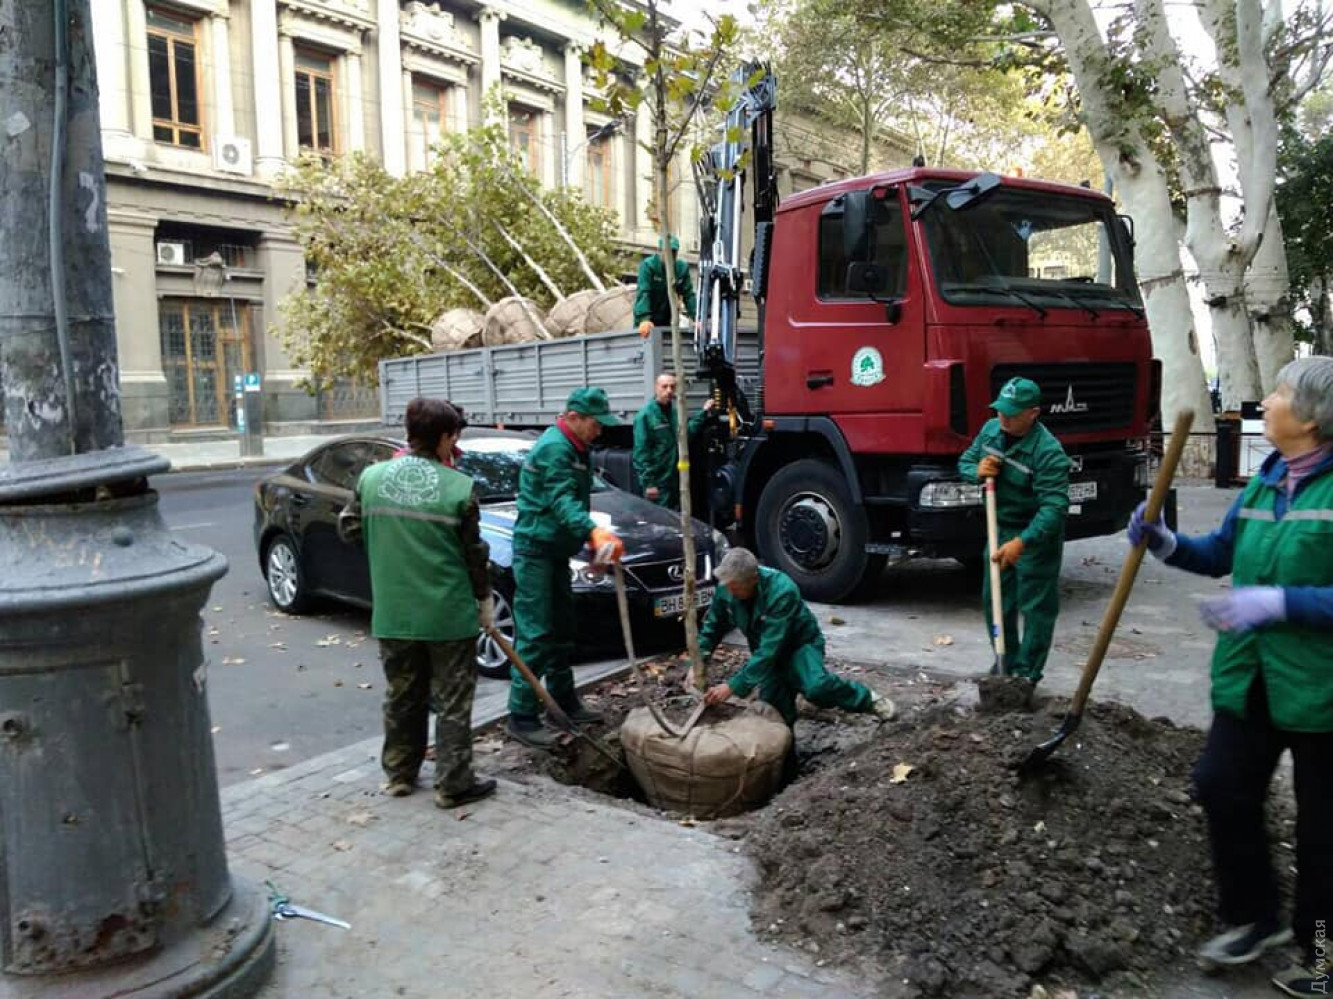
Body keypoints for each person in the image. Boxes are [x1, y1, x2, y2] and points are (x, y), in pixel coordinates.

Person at [1130, 357, 1333, 996]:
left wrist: (1280, 603)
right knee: (1221, 785)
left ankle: (1324, 957)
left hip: (1322, 688)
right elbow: (1221, 551)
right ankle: (1254, 917)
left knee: (1323, 831)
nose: (1265, 402)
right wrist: (1166, 543)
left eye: (1278, 393)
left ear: (1311, 418)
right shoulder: (1266, 479)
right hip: (1252, 677)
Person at [338, 398, 496, 809]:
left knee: (402, 695)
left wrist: (392, 549)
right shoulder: (459, 488)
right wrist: (484, 600)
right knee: (453, 701)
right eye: (453, 437)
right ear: (444, 437)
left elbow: (349, 529)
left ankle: (399, 775)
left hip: (395, 610)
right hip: (447, 614)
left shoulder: (371, 478)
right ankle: (453, 784)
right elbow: (474, 555)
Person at [506, 387, 625, 749]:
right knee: (536, 632)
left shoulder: (576, 447)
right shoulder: (555, 449)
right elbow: (562, 502)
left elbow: (573, 504)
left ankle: (563, 702)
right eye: (595, 423)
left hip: (555, 551)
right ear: (574, 417)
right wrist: (593, 532)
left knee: (561, 629)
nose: (600, 430)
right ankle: (521, 716)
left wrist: (593, 548)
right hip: (535, 551)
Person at [698, 548, 897, 725]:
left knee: (817, 687)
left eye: (736, 588)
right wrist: (698, 661)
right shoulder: (727, 588)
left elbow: (770, 648)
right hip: (767, 655)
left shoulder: (781, 591)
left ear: (754, 579)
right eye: (728, 586)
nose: (730, 592)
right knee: (773, 715)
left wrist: (732, 686)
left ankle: (868, 700)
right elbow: (713, 625)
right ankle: (788, 753)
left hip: (799, 645)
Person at [958, 376, 1070, 683]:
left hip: (1034, 536)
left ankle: (1026, 674)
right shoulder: (991, 430)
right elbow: (966, 461)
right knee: (995, 599)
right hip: (1000, 529)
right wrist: (976, 471)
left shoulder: (1048, 452)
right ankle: (1004, 660)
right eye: (1000, 410)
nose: (1003, 418)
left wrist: (1023, 542)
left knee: (1036, 607)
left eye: (1012, 413)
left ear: (1033, 413)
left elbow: (1054, 508)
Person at [632, 372, 716, 509]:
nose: (669, 390)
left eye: (672, 387)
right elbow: (641, 453)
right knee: (659, 517)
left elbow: (686, 433)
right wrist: (649, 484)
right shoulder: (645, 416)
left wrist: (704, 412)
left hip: (674, 480)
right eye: (664, 386)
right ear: (656, 388)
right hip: (659, 482)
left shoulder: (675, 414)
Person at [634, 235, 697, 338]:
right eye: (667, 252)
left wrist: (697, 318)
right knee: (646, 337)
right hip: (647, 320)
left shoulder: (681, 269)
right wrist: (644, 319)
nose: (671, 255)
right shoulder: (648, 266)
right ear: (659, 251)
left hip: (666, 320)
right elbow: (644, 293)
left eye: (674, 252)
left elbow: (689, 295)